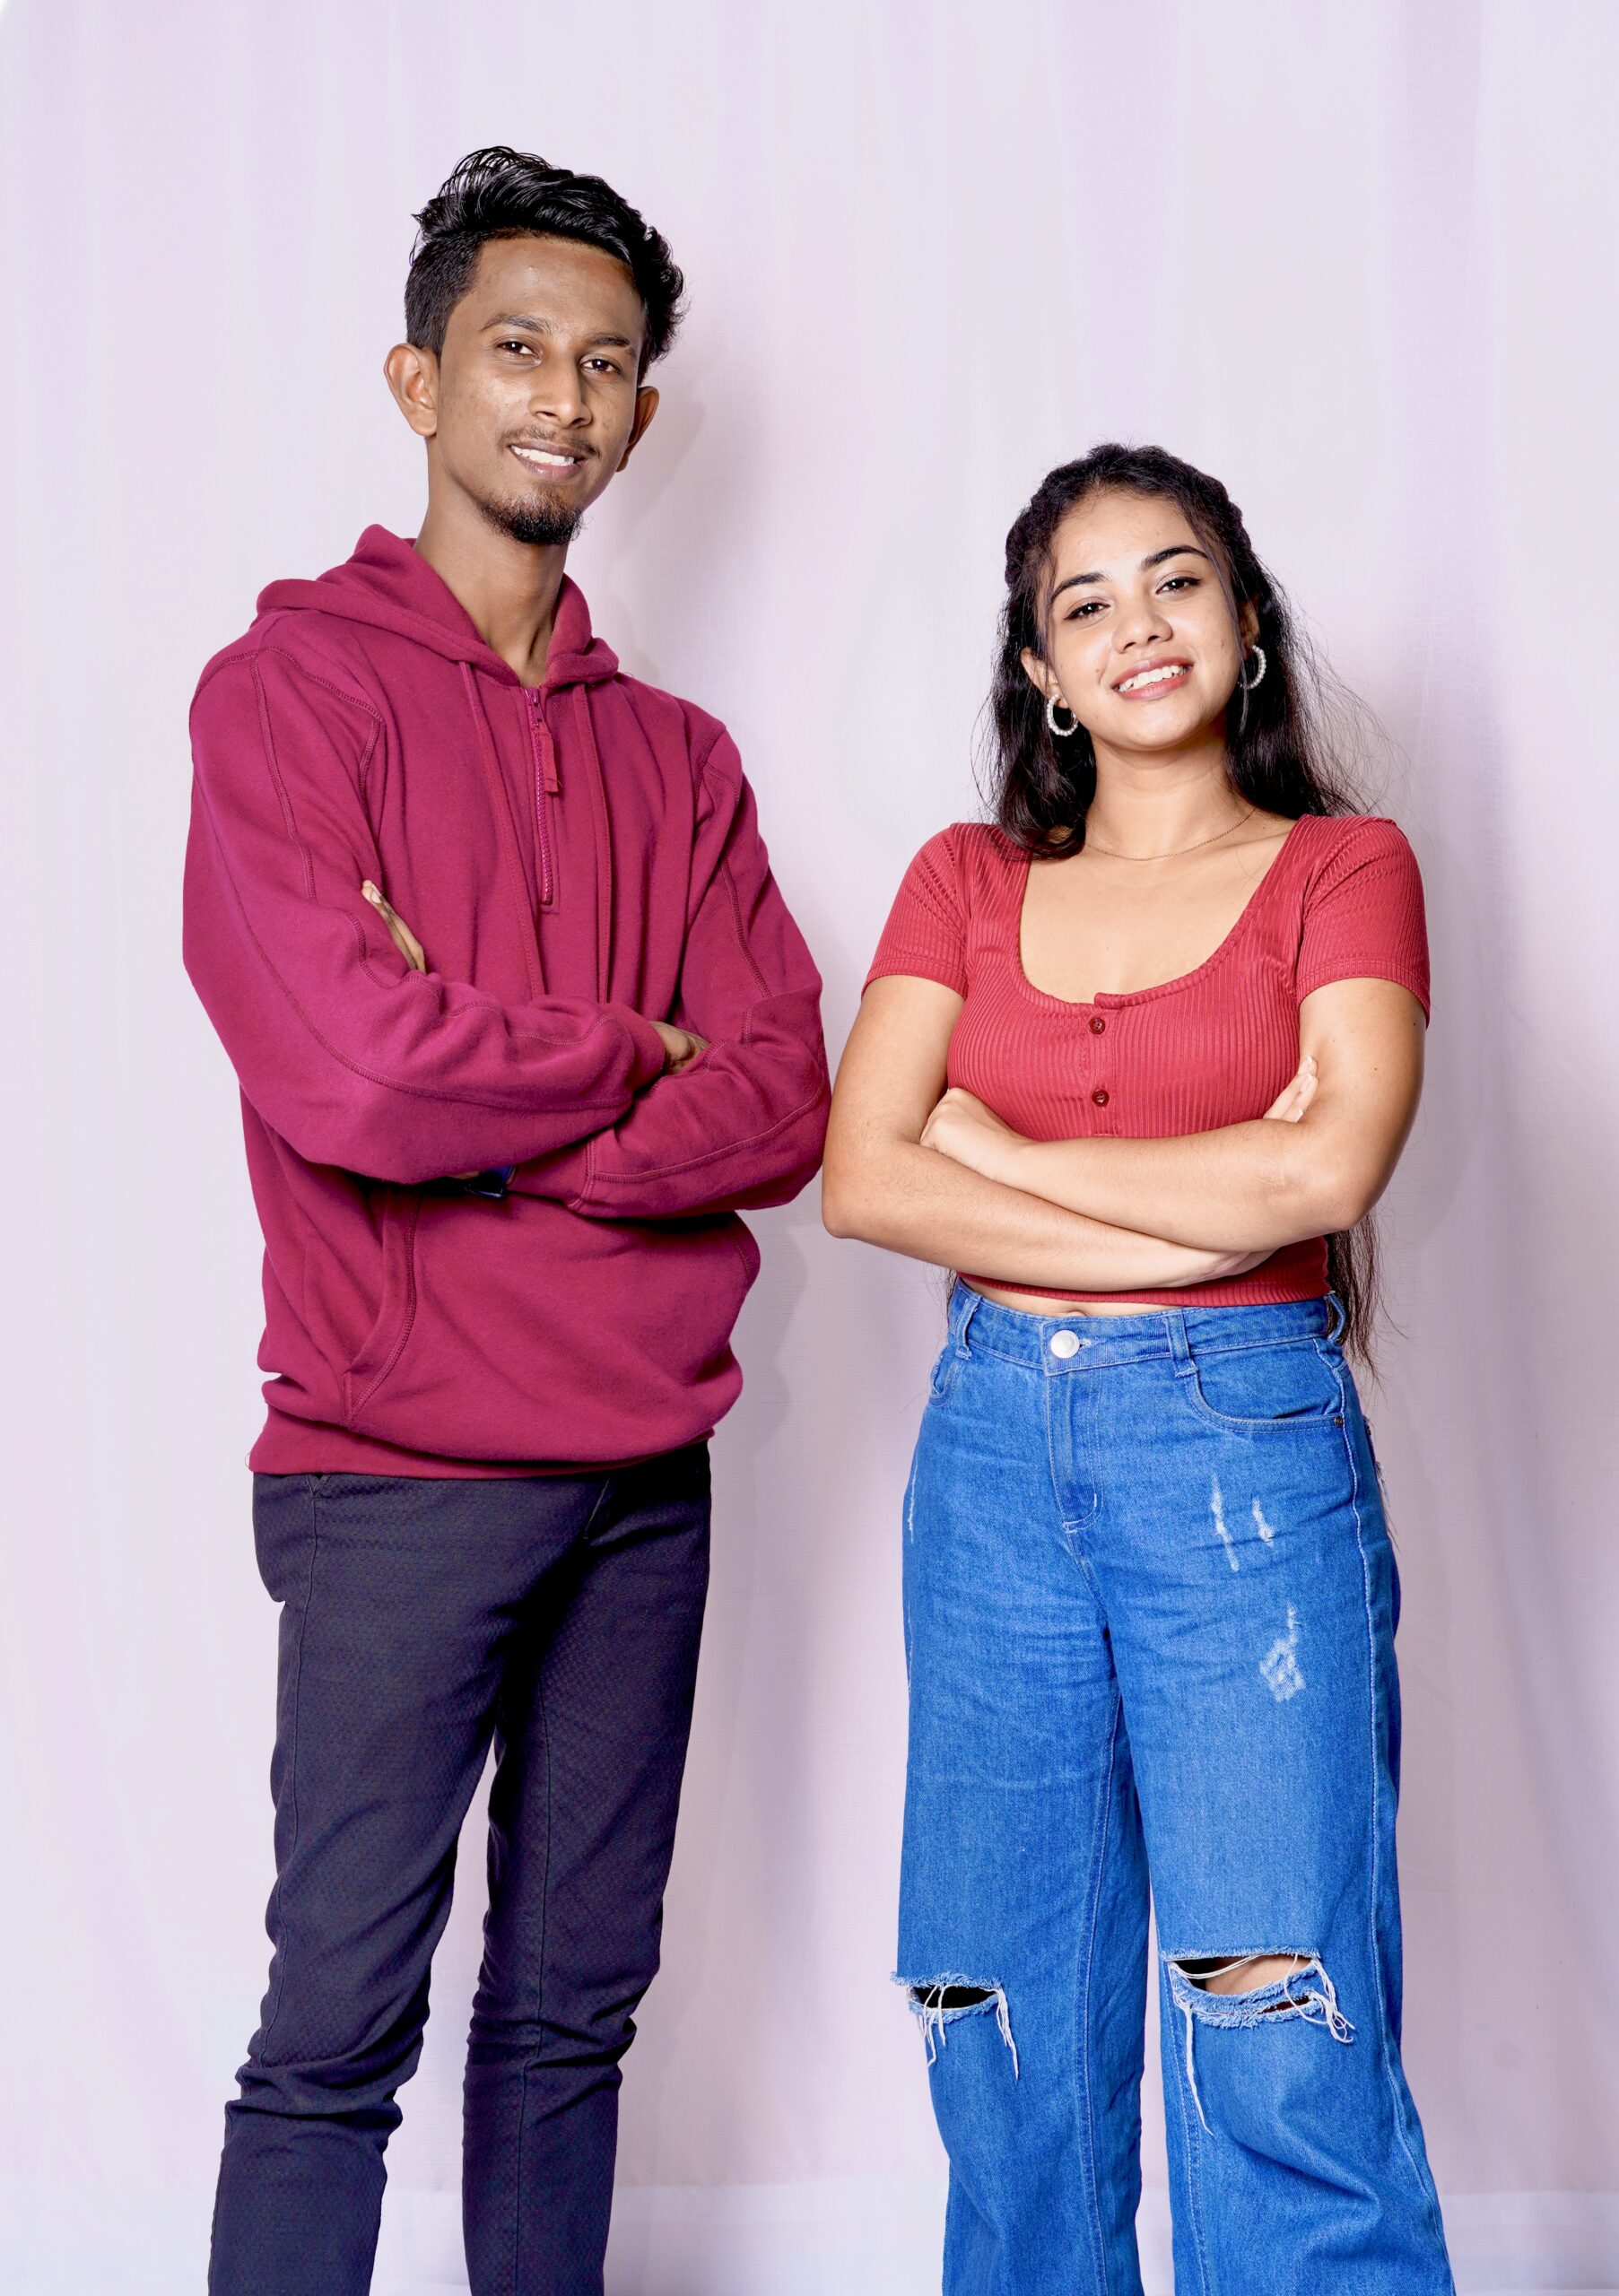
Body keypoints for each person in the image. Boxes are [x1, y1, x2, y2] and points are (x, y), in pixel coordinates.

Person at [184, 146, 828, 2296]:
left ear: (643, 416)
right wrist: (628, 1055)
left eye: (608, 363)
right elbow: (346, 1069)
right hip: (396, 1470)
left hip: (644, 1474)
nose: (564, 394)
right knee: (334, 2034)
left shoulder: (685, 759)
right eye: (519, 346)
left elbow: (783, 1095)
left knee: (570, 2024)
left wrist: (502, 1109)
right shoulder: (287, 693)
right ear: (420, 379)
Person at [823, 443, 1454, 2294]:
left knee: (1275, 2008)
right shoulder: (959, 879)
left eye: (1176, 580)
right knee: (1000, 2009)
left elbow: (1327, 1174)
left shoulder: (1343, 866)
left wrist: (998, 1159)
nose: (1138, 625)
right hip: (991, 1455)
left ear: (1245, 619)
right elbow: (864, 1178)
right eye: (1083, 603)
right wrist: (1202, 1206)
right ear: (1040, 668)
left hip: (1243, 1449)